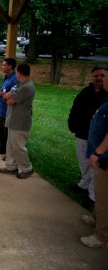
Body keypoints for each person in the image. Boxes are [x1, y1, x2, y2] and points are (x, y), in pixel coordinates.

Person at [68, 66, 106, 208]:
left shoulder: (106, 95)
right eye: (96, 75)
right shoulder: (85, 92)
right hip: (82, 133)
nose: (99, 78)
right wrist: (72, 125)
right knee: (83, 162)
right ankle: (84, 184)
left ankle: (93, 196)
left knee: (94, 166)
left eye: (102, 75)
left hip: (97, 138)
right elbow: (75, 108)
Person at [80, 65, 108, 248]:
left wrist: (98, 152)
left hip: (104, 158)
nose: (102, 80)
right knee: (100, 194)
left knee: (104, 198)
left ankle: (102, 236)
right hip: (99, 154)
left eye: (105, 77)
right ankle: (97, 220)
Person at [0, 63, 35, 179]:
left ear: (18, 72)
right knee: (10, 145)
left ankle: (26, 168)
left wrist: (7, 96)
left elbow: (10, 101)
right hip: (13, 119)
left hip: (20, 122)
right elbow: (7, 96)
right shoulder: (19, 84)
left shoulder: (27, 87)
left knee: (18, 146)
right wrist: (7, 96)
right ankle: (11, 166)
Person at [0, 58, 18, 157]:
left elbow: (14, 96)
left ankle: (9, 153)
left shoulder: (15, 79)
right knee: (1, 130)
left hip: (9, 111)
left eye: (4, 65)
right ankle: (2, 148)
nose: (2, 67)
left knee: (8, 132)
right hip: (2, 110)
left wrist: (0, 93)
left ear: (9, 66)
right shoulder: (6, 77)